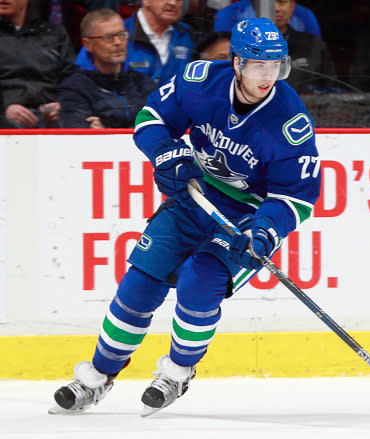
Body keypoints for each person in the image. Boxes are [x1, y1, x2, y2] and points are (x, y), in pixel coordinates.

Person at [50, 17, 321, 416]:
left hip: (245, 217)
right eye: (258, 65)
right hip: (193, 197)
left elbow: (296, 197)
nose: (268, 77)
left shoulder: (290, 122)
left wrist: (264, 231)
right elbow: (151, 119)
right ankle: (97, 376)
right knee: (140, 284)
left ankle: (177, 372)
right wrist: (164, 150)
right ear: (236, 62)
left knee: (200, 283)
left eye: (276, 66)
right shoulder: (199, 81)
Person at [59, 9, 157, 128]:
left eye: (121, 35)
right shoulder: (75, 87)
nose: (117, 42)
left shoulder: (143, 83)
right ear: (87, 44)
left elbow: (162, 126)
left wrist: (107, 131)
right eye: (108, 37)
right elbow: (77, 135)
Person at [75, 0, 194, 84]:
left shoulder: (187, 35)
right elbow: (82, 78)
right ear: (145, 1)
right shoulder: (113, 33)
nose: (173, 3)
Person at [0, 0, 76, 128]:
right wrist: (3, 110)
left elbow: (72, 78)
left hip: (51, 116)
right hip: (6, 118)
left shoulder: (55, 35)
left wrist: (63, 105)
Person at [274, 0, 337, 93]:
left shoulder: (313, 44)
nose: (276, 8)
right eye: (269, 3)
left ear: (292, 6)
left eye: (282, 2)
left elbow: (331, 87)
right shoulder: (247, 46)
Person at [214, 0, 321, 37]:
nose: (275, 8)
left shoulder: (305, 17)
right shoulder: (229, 15)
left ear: (293, 3)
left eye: (282, 1)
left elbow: (314, 55)